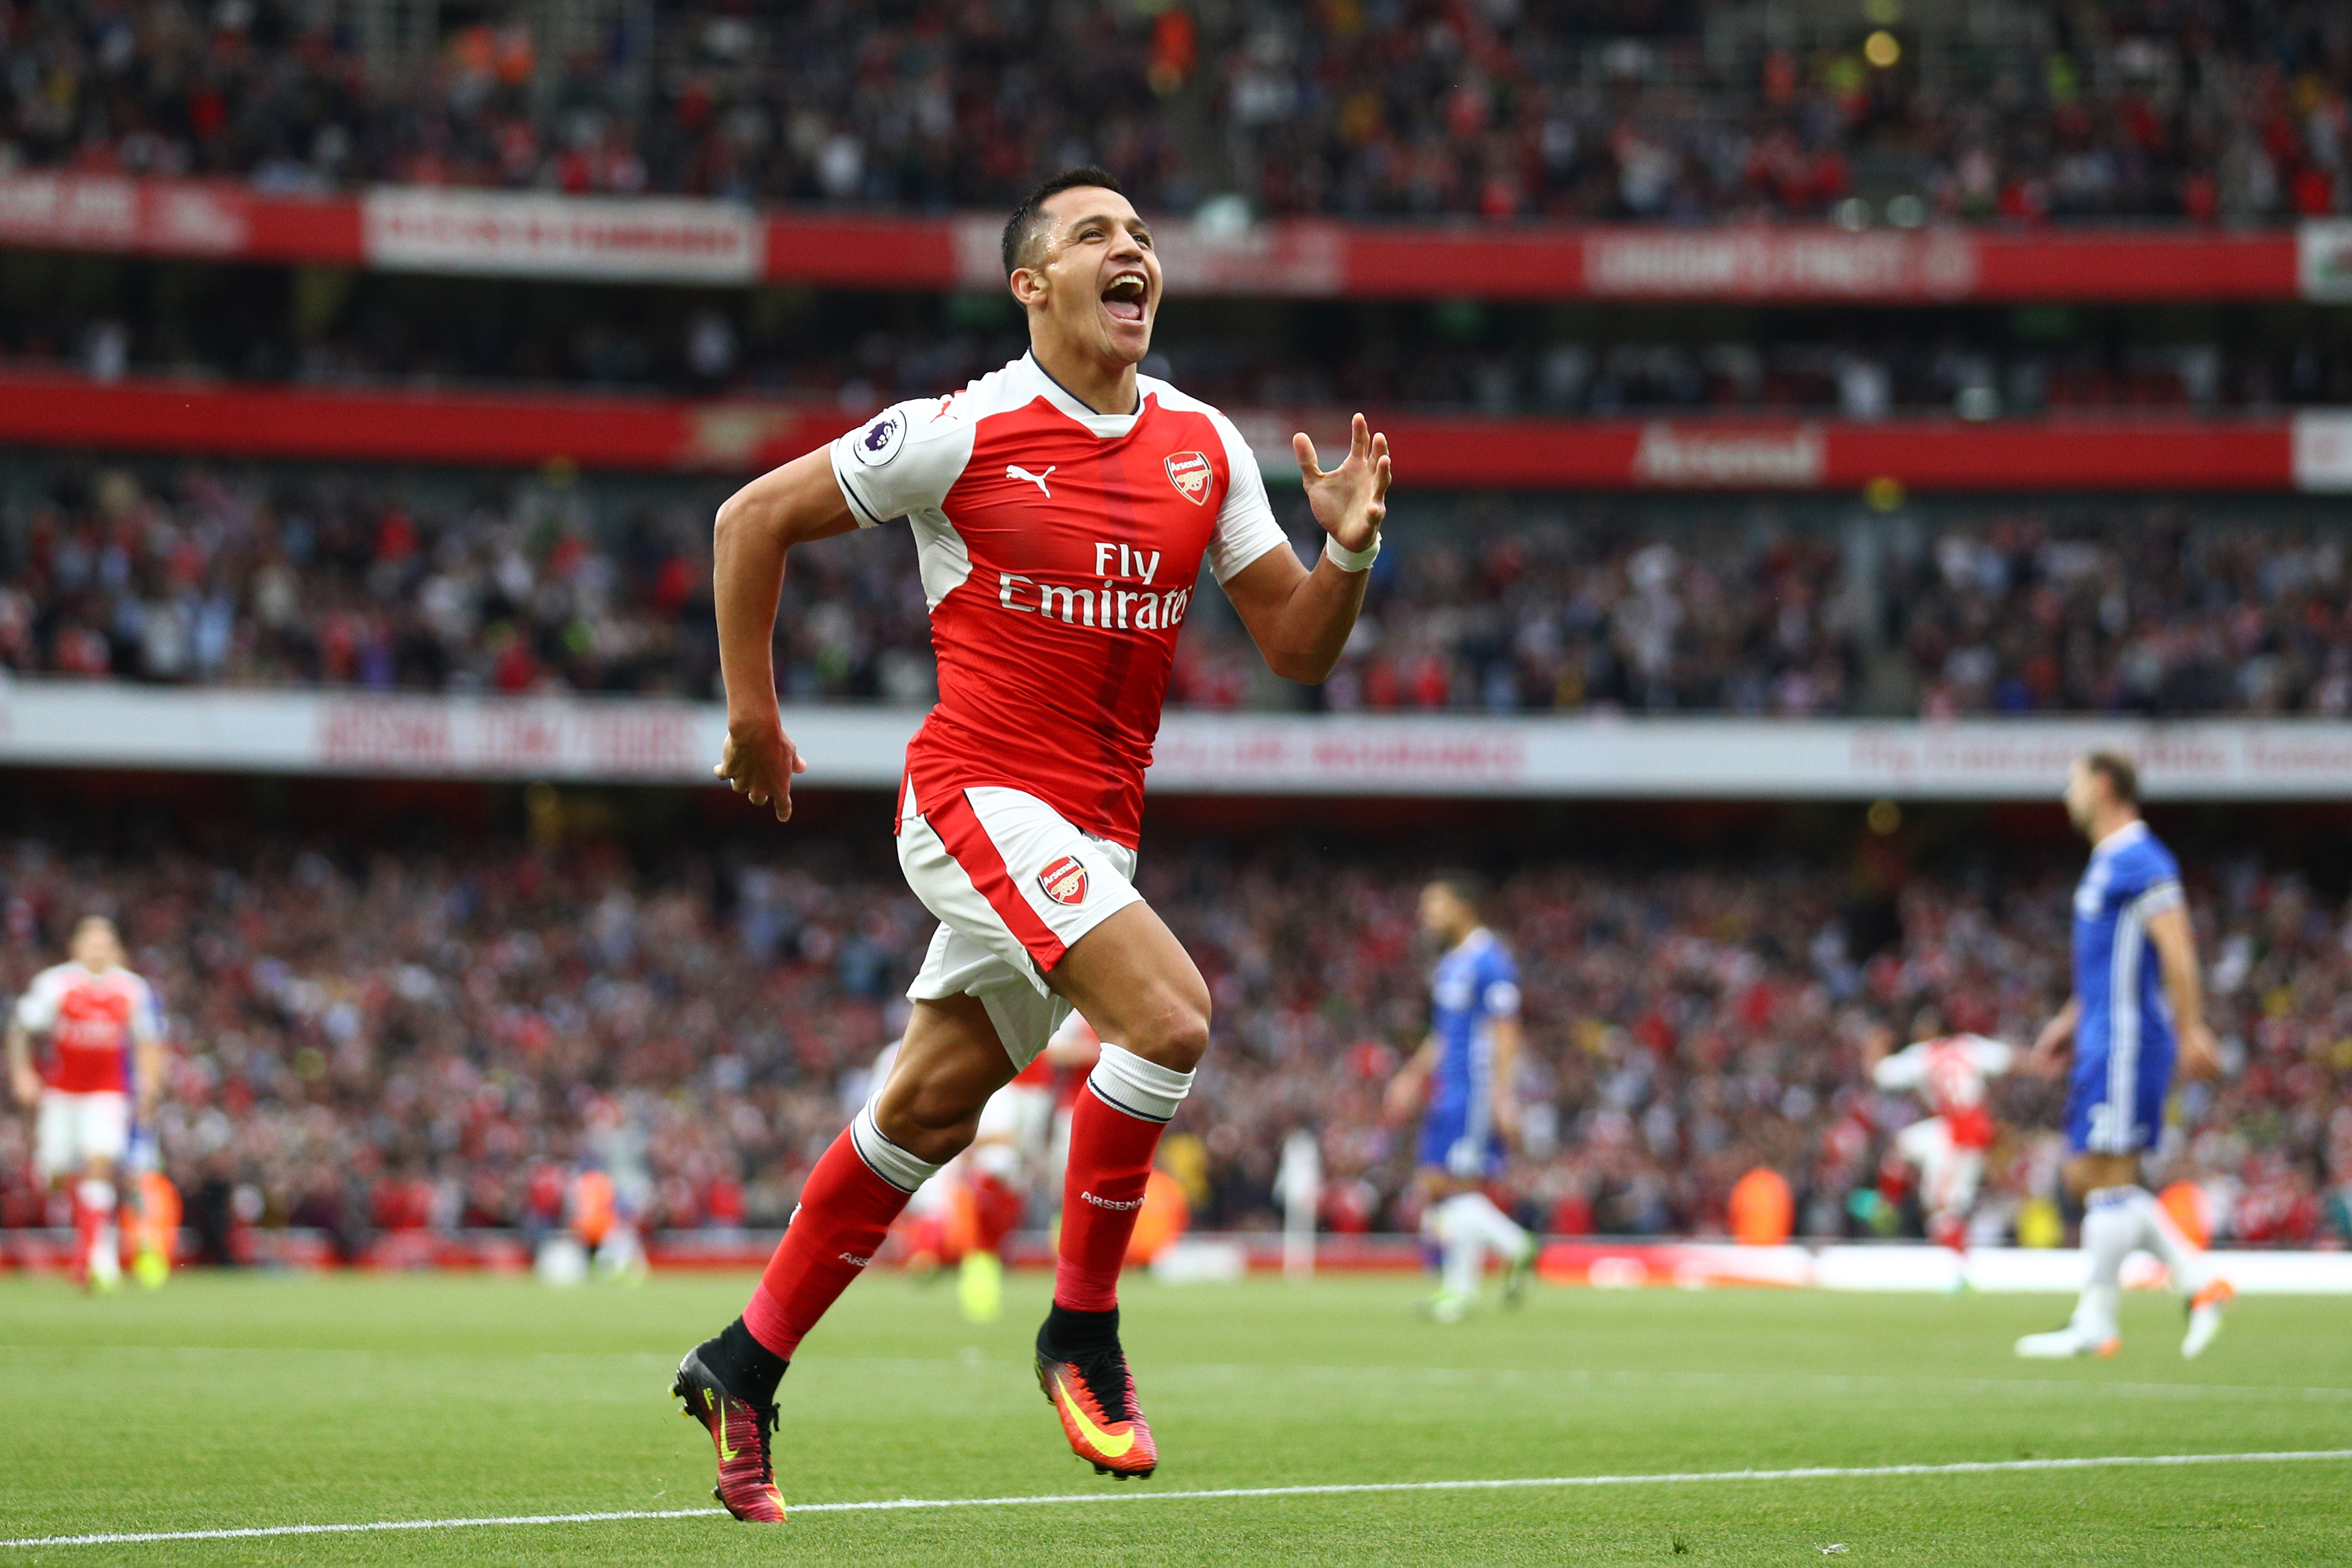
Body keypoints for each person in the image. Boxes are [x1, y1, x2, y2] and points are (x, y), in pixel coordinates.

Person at [669, 165, 1391, 1522]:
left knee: (927, 1114)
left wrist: (1346, 552)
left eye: (1141, 234)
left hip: (1091, 838)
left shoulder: (1206, 447)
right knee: (1171, 1019)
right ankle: (1081, 1334)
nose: (1132, 251)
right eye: (1093, 235)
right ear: (1032, 285)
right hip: (975, 798)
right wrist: (755, 719)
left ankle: (741, 1363)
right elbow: (748, 519)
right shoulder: (963, 430)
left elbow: (1296, 645)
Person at [2015, 752, 2233, 1360]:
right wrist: (2068, 1019)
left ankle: (2098, 1321)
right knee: (2089, 1176)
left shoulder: (2141, 858)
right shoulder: (2106, 863)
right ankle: (2195, 1284)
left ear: (2104, 786)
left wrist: (2193, 1029)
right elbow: (2107, 965)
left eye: (2075, 779)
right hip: (2100, 1036)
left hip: (2128, 1041)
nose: (2067, 793)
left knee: (2103, 1175)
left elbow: (2177, 947)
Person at [1384, 875, 1536, 1322]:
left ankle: (1514, 1245)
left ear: (1463, 907)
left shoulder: (1491, 961)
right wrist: (1412, 1076)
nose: (1424, 915)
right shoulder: (1452, 965)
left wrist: (1505, 1096)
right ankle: (1460, 1292)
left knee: (1442, 1183)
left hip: (1474, 1090)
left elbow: (1507, 1029)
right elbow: (1444, 1034)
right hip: (1449, 1088)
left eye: (1434, 905)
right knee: (1447, 1187)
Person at [6, 916, 165, 1293]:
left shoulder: (132, 990)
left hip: (107, 1095)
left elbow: (149, 1041)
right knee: (56, 1175)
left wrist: (149, 1087)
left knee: (100, 1160)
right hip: (61, 1096)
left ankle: (87, 1259)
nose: (97, 950)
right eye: (90, 942)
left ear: (116, 949)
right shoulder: (55, 984)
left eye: (104, 943)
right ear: (75, 947)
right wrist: (22, 1074)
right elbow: (20, 1029)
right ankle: (97, 1242)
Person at [1865, 1007, 2015, 1255]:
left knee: (1940, 1205)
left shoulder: (1925, 1054)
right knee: (1945, 1203)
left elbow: (1880, 1074)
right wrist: (2044, 1062)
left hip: (1955, 1134)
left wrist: (1874, 1047)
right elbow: (2011, 1058)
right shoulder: (1969, 1046)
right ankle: (1891, 1207)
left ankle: (1889, 1206)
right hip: (1973, 1130)